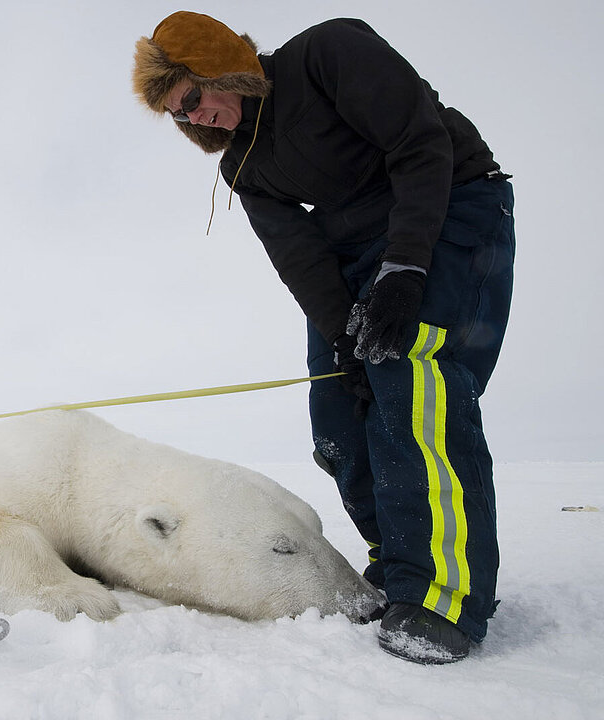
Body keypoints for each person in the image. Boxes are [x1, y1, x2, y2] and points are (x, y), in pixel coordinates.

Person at [133, 12, 514, 664]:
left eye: (192, 98)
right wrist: (342, 339)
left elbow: (421, 143)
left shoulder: (327, 55)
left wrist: (404, 272)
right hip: (354, 253)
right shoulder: (244, 167)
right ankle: (400, 563)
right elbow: (301, 258)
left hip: (446, 203)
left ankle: (445, 597)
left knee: (411, 384)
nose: (194, 119)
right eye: (178, 115)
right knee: (339, 414)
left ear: (219, 65)